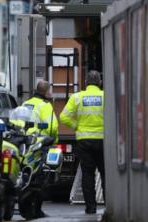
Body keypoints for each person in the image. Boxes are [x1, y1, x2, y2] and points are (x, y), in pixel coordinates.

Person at [60, 70, 104, 214]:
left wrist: (76, 126)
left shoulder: (77, 97)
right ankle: (109, 207)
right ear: (100, 82)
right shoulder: (105, 96)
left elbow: (64, 117)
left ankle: (90, 208)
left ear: (85, 83)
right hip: (102, 141)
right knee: (105, 174)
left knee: (87, 174)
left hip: (84, 141)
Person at [20, 80, 59, 218]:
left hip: (24, 144)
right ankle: (37, 209)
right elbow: (52, 127)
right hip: (40, 144)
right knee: (41, 178)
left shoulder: (26, 103)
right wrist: (54, 139)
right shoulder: (45, 105)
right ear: (47, 92)